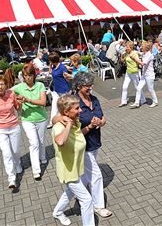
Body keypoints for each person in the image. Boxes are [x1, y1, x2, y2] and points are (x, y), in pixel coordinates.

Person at [56, 72, 113, 218]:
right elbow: (57, 117)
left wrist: (101, 122)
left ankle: (61, 208)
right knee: (96, 175)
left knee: (83, 178)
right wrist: (61, 119)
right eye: (87, 86)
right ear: (79, 86)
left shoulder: (94, 99)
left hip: (94, 143)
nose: (90, 88)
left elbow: (103, 116)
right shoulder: (74, 102)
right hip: (82, 145)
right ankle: (98, 206)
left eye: (91, 85)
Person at [52, 94, 95, 226]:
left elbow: (78, 135)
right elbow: (60, 141)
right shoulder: (60, 127)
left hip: (76, 167)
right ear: (66, 112)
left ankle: (58, 212)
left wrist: (90, 127)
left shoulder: (75, 121)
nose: (80, 110)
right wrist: (68, 126)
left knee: (70, 192)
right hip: (68, 171)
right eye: (77, 108)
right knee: (87, 200)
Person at [13, 64, 47, 180]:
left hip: (41, 118)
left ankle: (42, 157)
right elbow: (6, 92)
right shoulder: (19, 87)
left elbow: (43, 102)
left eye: (30, 75)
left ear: (34, 75)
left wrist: (28, 100)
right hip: (27, 119)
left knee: (41, 141)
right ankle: (36, 171)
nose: (27, 78)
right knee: (34, 143)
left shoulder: (40, 85)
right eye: (25, 75)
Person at [131, 41, 158, 108]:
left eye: (142, 47)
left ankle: (155, 101)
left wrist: (135, 58)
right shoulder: (144, 53)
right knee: (139, 88)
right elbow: (140, 53)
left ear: (145, 48)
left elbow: (143, 64)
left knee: (150, 89)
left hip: (149, 75)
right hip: (144, 75)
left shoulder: (149, 55)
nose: (141, 47)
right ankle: (137, 102)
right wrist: (135, 51)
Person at [118, 41, 145, 107]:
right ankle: (123, 101)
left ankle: (143, 99)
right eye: (125, 47)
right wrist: (122, 55)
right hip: (128, 72)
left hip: (135, 72)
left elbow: (139, 61)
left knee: (137, 87)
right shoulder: (126, 53)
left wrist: (134, 58)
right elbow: (122, 61)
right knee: (124, 87)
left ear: (131, 47)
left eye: (127, 47)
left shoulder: (134, 53)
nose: (126, 48)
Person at [48, 52, 70, 128]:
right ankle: (52, 121)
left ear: (52, 60)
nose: (49, 62)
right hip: (56, 91)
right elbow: (50, 72)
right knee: (54, 106)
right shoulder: (54, 67)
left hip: (64, 90)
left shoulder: (62, 67)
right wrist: (50, 66)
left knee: (64, 107)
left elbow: (67, 78)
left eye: (49, 60)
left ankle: (67, 121)